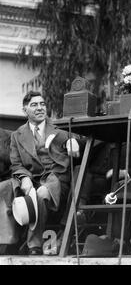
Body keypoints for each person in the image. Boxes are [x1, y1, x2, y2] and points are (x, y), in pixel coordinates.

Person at [8, 91, 81, 255]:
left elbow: (78, 135)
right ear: (24, 110)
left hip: (56, 178)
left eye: (42, 104)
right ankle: (8, 242)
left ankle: (34, 244)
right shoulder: (17, 135)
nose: (40, 108)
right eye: (34, 105)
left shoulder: (59, 128)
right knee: (16, 191)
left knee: (40, 194)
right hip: (31, 180)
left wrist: (72, 140)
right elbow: (16, 164)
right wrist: (24, 178)